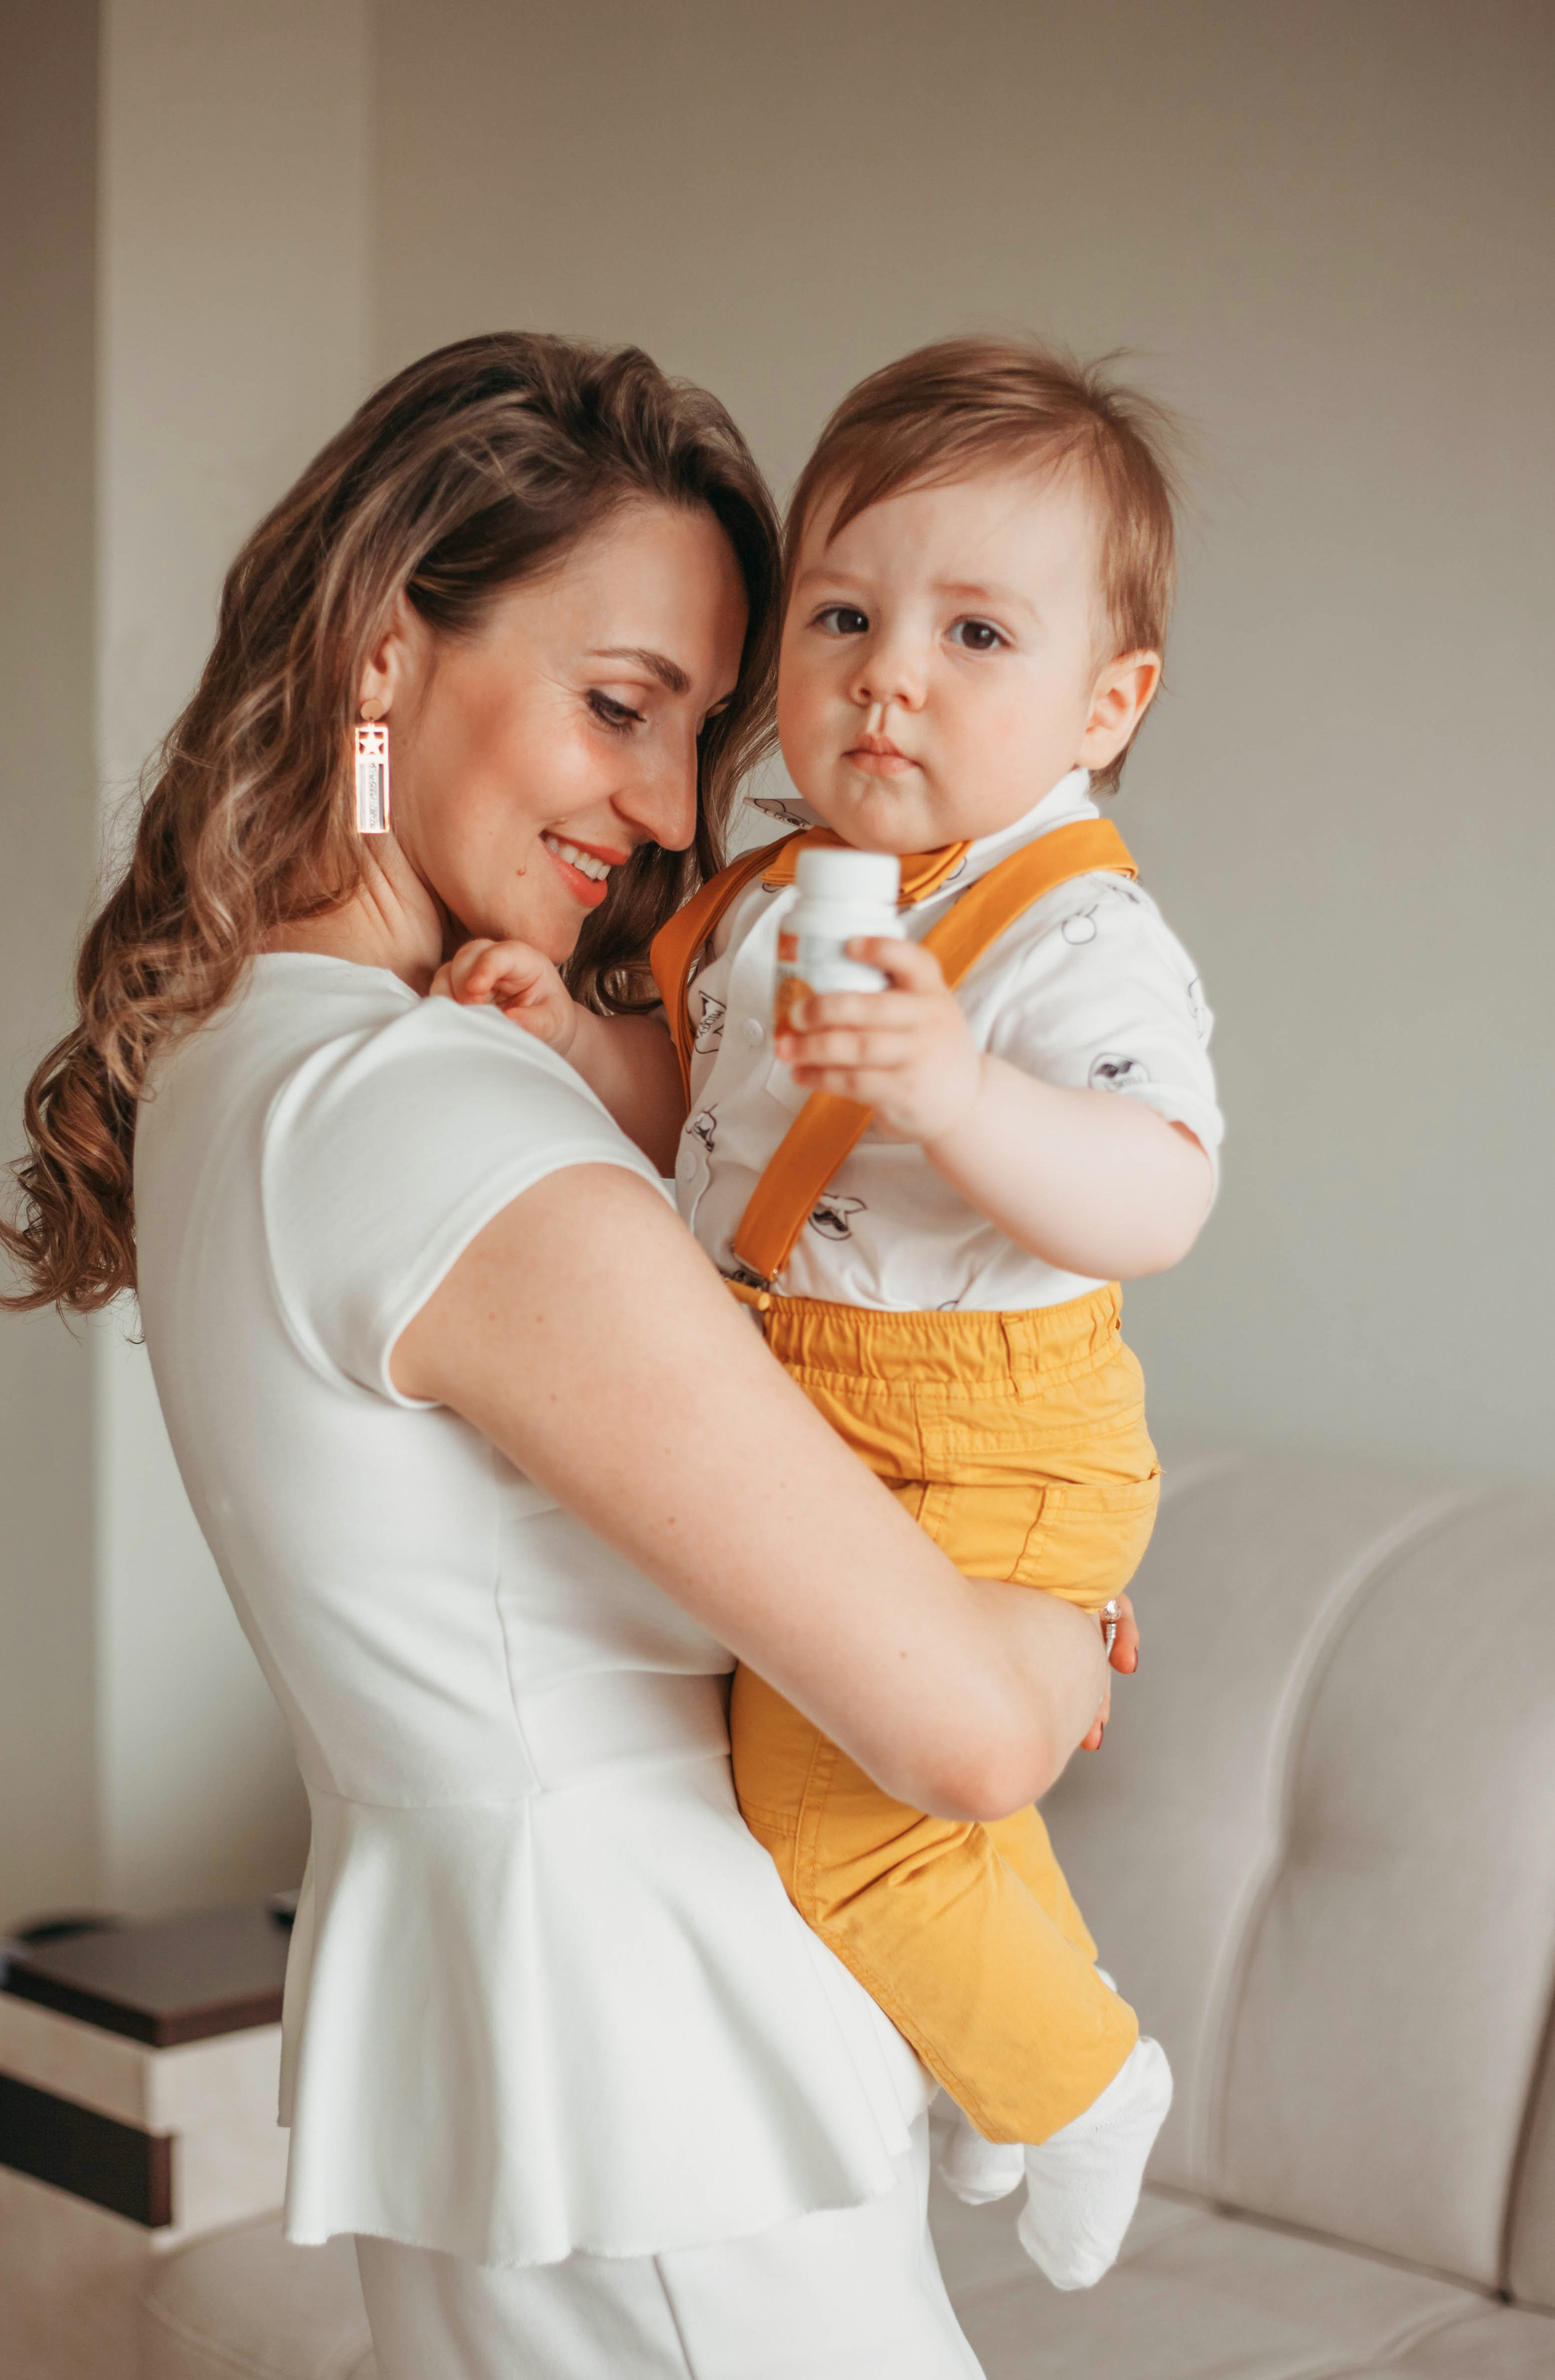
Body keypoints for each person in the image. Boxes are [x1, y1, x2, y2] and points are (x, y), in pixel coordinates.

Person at [1, 332, 1129, 2379]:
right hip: (669, 2106)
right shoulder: (438, 1124)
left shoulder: (239, 1073)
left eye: (702, 730)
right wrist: (1071, 1632)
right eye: (619, 705)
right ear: (376, 659)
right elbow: (964, 1732)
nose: (678, 805)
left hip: (536, 2084)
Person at [430, 336, 1220, 2292]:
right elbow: (708, 1124)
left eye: (975, 634)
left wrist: (961, 1090)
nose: (890, 674)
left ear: (1104, 703)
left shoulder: (1072, 926)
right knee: (841, 1758)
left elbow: (1166, 1187)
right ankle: (1011, 2032)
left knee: (819, 1790)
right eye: (850, 615)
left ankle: (1073, 2077)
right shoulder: (781, 893)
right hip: (807, 1393)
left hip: (986, 1426)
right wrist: (577, 1042)